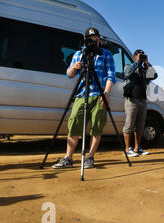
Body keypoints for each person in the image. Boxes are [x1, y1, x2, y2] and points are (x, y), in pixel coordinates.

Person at [52, 28, 116, 169]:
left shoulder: (106, 54)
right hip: (82, 94)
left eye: (96, 37)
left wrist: (106, 93)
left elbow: (111, 76)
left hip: (99, 94)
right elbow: (69, 74)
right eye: (91, 38)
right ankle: (68, 158)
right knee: (74, 123)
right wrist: (74, 67)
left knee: (96, 127)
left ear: (99, 38)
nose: (94, 40)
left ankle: (90, 157)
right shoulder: (79, 54)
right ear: (86, 40)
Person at [122, 49, 158, 157]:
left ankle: (137, 148)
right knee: (129, 125)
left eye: (142, 56)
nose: (141, 58)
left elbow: (154, 75)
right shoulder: (129, 66)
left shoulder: (144, 70)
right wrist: (137, 62)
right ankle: (127, 149)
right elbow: (127, 73)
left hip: (142, 100)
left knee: (140, 126)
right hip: (131, 100)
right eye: (139, 56)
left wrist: (147, 63)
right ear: (134, 57)